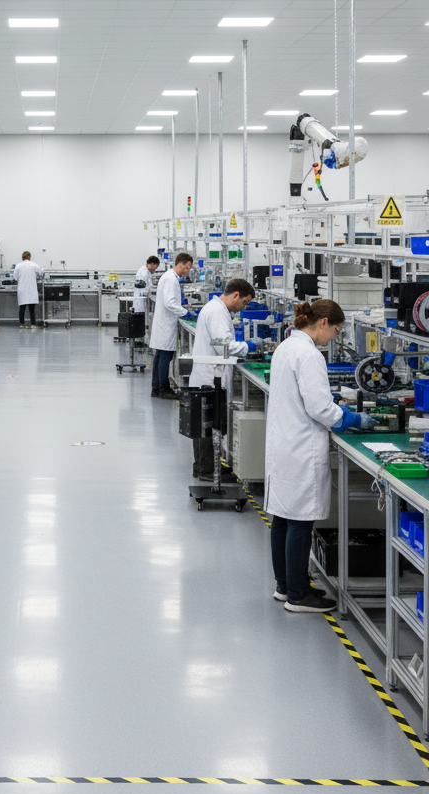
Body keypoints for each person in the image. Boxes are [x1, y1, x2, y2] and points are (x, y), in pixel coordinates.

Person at [265, 299, 376, 613]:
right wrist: (351, 418)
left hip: (284, 443)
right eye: (337, 331)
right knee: (300, 521)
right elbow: (319, 409)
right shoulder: (309, 354)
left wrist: (329, 398)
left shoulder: (287, 347)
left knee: (283, 519)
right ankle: (299, 596)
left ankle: (285, 587)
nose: (335, 338)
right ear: (323, 323)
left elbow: (305, 396)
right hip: (301, 446)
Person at [188, 278, 257, 481]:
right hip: (209, 377)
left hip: (207, 375)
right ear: (235, 295)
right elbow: (223, 346)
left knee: (204, 426)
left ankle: (203, 466)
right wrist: (248, 346)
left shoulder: (216, 308)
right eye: (244, 302)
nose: (243, 307)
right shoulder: (217, 312)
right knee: (207, 426)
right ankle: (207, 470)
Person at [149, 252, 194, 398]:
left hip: (163, 323)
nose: (187, 271)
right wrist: (184, 312)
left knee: (160, 356)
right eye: (187, 268)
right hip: (166, 324)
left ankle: (156, 388)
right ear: (180, 264)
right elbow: (170, 303)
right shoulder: (171, 279)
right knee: (165, 356)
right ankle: (163, 389)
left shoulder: (169, 277)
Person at [14, 251, 44, 328]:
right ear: (29, 257)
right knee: (31, 308)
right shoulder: (33, 265)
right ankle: (33, 324)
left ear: (22, 257)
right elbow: (41, 273)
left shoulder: (18, 266)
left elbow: (15, 278)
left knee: (22, 307)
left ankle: (21, 324)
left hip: (22, 288)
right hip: (31, 289)